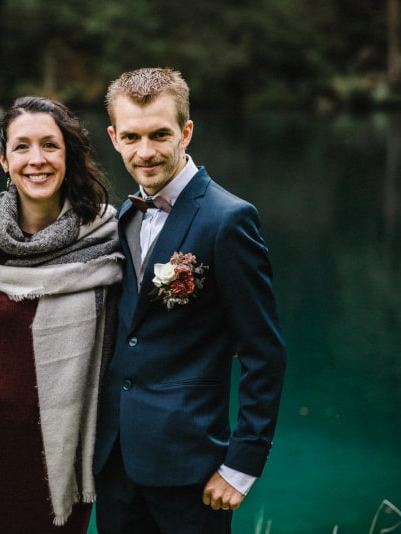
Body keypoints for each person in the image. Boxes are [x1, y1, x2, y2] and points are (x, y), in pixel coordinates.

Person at [93, 67, 287, 533]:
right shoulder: (124, 215)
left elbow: (264, 354)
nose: (146, 152)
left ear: (186, 131)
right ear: (114, 138)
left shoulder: (228, 220)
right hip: (115, 463)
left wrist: (241, 465)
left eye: (160, 135)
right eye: (132, 137)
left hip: (191, 468)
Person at [0, 96, 123, 533]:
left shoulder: (109, 236)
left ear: (68, 155)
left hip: (63, 452)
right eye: (22, 147)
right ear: (3, 159)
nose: (36, 159)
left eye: (50, 145)